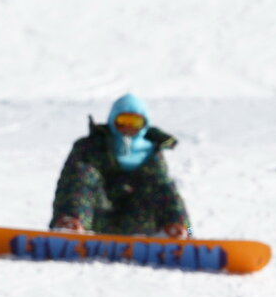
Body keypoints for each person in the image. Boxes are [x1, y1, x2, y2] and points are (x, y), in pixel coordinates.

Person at [50, 93, 190, 238]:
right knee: (81, 174)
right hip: (96, 217)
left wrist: (190, 231)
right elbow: (69, 184)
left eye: (135, 122)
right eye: (122, 121)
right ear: (112, 121)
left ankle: (179, 232)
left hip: (140, 221)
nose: (128, 128)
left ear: (144, 125)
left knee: (162, 184)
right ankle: (69, 226)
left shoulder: (152, 153)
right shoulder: (89, 146)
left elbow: (168, 194)